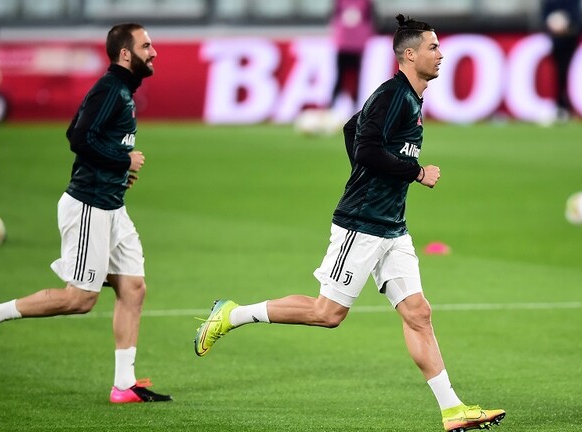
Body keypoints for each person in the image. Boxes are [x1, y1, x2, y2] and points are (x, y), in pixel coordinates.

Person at [194, 15, 505, 432]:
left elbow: (349, 129)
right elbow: (366, 148)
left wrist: (374, 176)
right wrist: (414, 172)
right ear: (409, 55)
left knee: (418, 312)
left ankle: (452, 410)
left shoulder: (410, 98)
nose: (441, 54)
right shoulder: (392, 96)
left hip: (392, 226)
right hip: (362, 223)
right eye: (432, 47)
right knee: (327, 313)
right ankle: (232, 315)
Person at [0, 23, 171, 404]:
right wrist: (122, 160)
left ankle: (124, 385)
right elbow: (78, 137)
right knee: (80, 299)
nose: (153, 52)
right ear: (125, 54)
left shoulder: (121, 90)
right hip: (90, 205)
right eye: (146, 46)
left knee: (133, 287)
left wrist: (117, 172)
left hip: (112, 204)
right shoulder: (111, 89)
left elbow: (85, 133)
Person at [328, 0, 377, 118]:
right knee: (340, 75)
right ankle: (332, 107)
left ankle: (355, 107)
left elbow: (371, 18)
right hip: (344, 43)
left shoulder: (365, 2)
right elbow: (334, 16)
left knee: (356, 77)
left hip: (357, 44)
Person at [541, 0, 582, 122]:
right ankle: (559, 107)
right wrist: (550, 25)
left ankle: (569, 108)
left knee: (570, 75)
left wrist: (568, 25)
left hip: (570, 42)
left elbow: (578, 19)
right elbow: (544, 15)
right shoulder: (549, 3)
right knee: (556, 76)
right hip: (555, 42)